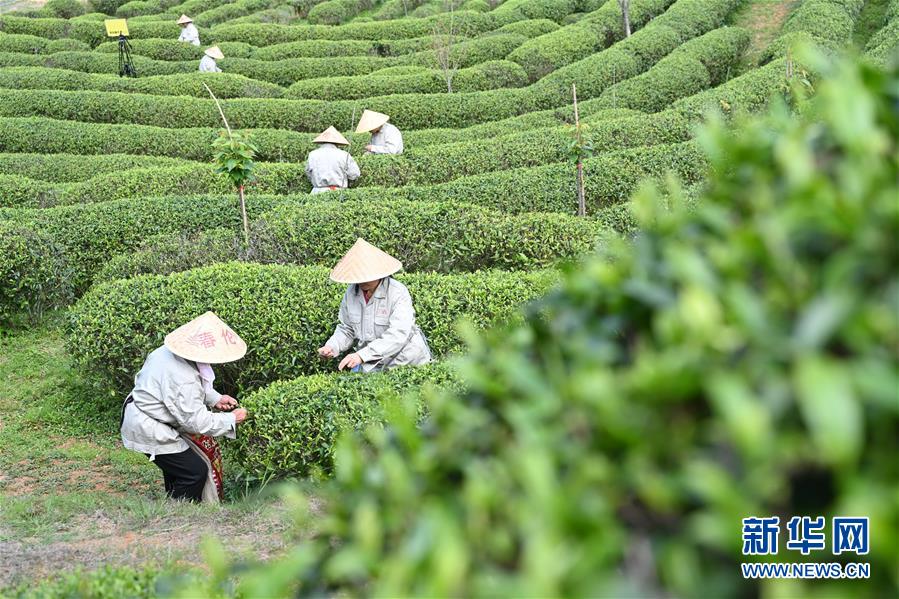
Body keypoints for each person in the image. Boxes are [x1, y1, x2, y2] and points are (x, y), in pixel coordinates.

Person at [120, 312, 248, 503]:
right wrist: (232, 419)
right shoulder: (182, 377)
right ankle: (179, 514)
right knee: (193, 472)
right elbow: (196, 421)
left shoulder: (165, 352)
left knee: (179, 470)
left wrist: (216, 399)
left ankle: (173, 504)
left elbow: (180, 392)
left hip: (149, 414)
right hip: (149, 425)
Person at [318, 238, 431, 372]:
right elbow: (347, 329)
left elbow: (398, 334)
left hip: (407, 359)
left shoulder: (397, 292)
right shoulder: (351, 293)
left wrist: (361, 355)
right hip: (373, 361)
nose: (362, 281)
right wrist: (332, 346)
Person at [305, 126, 361, 194]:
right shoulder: (344, 155)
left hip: (317, 192)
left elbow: (308, 173)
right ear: (338, 143)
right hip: (338, 192)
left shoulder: (312, 154)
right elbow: (355, 174)